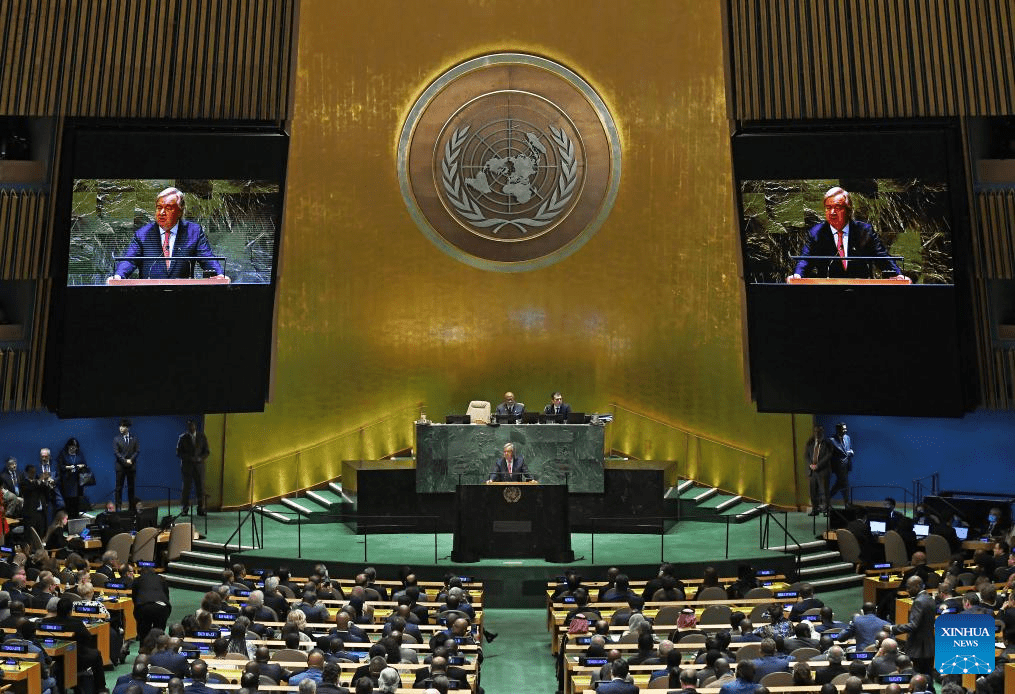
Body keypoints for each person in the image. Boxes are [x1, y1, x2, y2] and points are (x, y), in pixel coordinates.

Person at [787, 186, 908, 281]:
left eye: (838, 207)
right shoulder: (816, 233)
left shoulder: (864, 231)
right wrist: (797, 275)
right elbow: (805, 260)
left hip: (862, 289)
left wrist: (897, 274)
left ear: (848, 210)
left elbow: (882, 257)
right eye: (828, 208)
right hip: (829, 291)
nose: (832, 212)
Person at [111, 187, 224, 280]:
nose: (161, 213)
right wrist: (118, 276)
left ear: (180, 211)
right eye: (159, 207)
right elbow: (129, 260)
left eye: (168, 208)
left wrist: (219, 275)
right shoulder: (143, 234)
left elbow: (207, 259)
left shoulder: (193, 232)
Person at [891, 576, 935, 676]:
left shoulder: (919, 601)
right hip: (929, 647)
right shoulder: (929, 598)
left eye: (909, 587)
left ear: (917, 586)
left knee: (915, 677)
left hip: (918, 649)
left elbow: (913, 625)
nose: (907, 590)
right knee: (928, 677)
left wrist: (892, 628)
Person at [177, 420, 210, 515]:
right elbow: (179, 453)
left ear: (195, 426)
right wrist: (190, 458)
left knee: (200, 488)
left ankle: (201, 509)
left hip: (199, 467)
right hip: (187, 466)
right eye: (189, 426)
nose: (191, 427)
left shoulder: (202, 437)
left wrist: (200, 458)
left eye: (192, 425)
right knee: (186, 488)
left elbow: (207, 451)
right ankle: (184, 509)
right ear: (187, 427)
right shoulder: (183, 438)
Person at [133, 565, 172, 638]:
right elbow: (166, 596)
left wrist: (138, 617)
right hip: (162, 607)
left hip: (144, 607)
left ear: (141, 573)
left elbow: (134, 598)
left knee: (143, 632)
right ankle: (159, 646)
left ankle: (143, 646)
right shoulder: (161, 579)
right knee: (159, 634)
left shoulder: (137, 580)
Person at [56, 438, 88, 518]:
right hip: (67, 480)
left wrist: (80, 466)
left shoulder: (79, 454)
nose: (73, 449)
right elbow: (60, 466)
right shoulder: (63, 454)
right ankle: (68, 517)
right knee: (68, 500)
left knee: (76, 500)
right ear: (68, 446)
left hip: (77, 480)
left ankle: (76, 516)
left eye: (75, 447)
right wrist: (69, 467)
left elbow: (84, 464)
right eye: (72, 447)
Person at [805, 425, 832, 515]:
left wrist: (818, 465)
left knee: (824, 491)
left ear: (822, 432)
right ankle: (815, 509)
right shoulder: (810, 443)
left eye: (819, 432)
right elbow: (806, 456)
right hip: (812, 472)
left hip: (823, 471)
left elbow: (828, 456)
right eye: (816, 432)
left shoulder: (827, 443)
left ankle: (826, 509)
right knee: (813, 492)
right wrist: (810, 465)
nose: (817, 433)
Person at [114, 418, 139, 511]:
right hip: (120, 467)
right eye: (120, 426)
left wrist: (130, 460)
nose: (121, 428)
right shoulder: (116, 439)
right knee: (118, 488)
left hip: (131, 467)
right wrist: (125, 461)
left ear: (128, 428)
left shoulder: (134, 438)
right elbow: (116, 453)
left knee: (131, 488)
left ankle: (131, 507)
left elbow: (137, 451)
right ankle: (118, 507)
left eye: (123, 426)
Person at [827, 423, 853, 505]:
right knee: (845, 484)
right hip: (838, 467)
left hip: (846, 465)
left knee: (840, 484)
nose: (845, 430)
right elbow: (829, 455)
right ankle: (847, 503)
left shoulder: (847, 438)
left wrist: (851, 452)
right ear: (838, 430)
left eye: (845, 428)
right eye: (843, 429)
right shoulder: (832, 440)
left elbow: (849, 449)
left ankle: (826, 499)